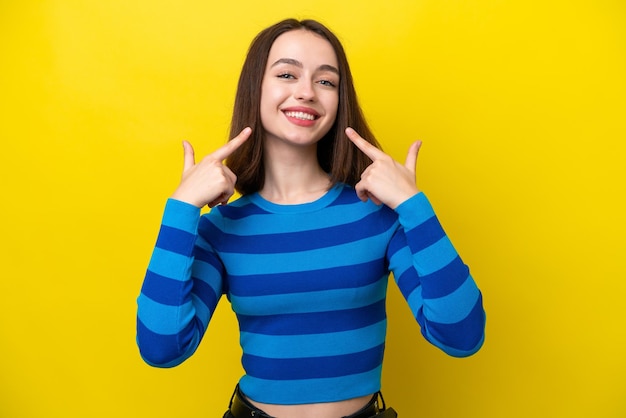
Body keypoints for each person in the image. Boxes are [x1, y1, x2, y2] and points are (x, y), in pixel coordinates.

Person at [136, 18, 486, 418]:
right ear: (256, 89)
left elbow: (462, 335)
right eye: (287, 74)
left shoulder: (379, 216)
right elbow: (162, 349)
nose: (306, 93)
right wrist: (180, 211)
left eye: (326, 82)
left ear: (340, 101)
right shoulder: (219, 228)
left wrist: (413, 205)